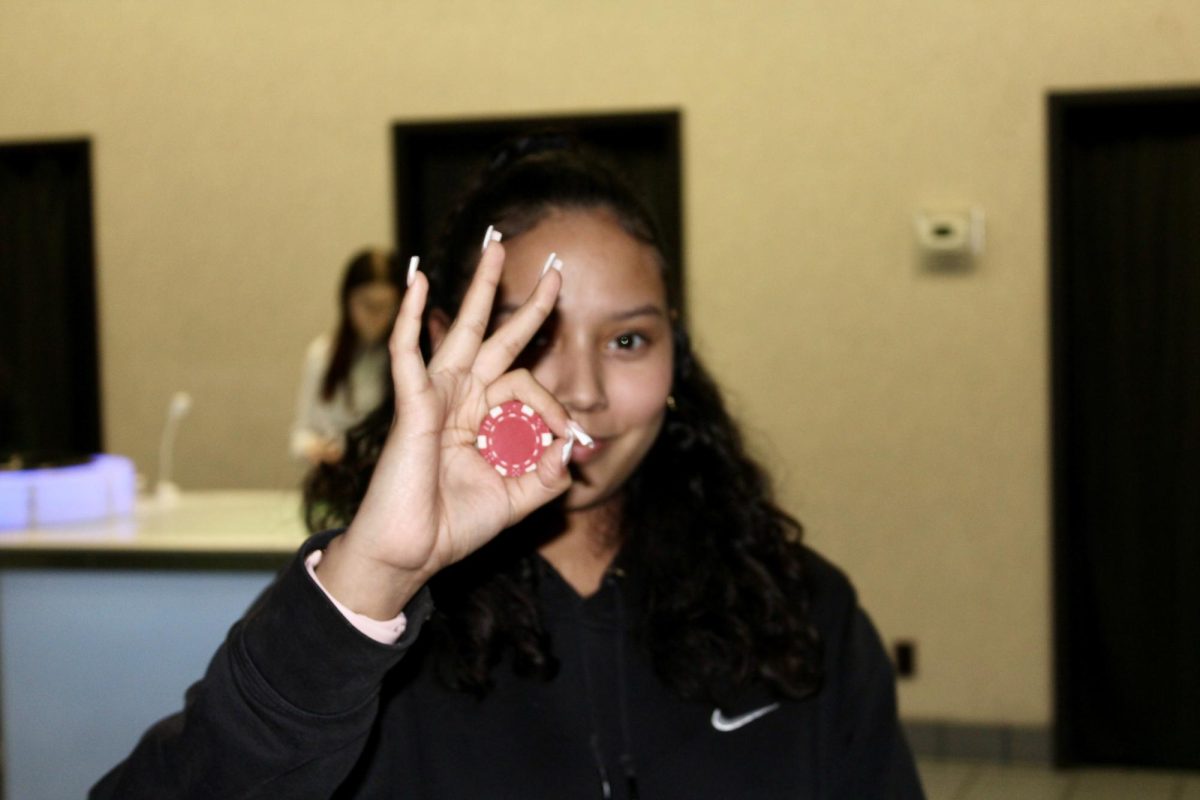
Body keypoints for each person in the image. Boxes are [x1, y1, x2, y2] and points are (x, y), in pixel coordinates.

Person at [93, 138, 925, 799]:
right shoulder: (372, 635)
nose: (587, 393)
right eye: (534, 341)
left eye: (629, 340)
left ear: (680, 353)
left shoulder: (799, 610)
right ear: (454, 349)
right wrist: (370, 583)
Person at [290, 248, 403, 465]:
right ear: (347, 300)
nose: (376, 316)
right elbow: (300, 435)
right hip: (336, 482)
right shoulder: (322, 355)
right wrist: (316, 448)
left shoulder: (403, 359)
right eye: (367, 304)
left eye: (386, 305)